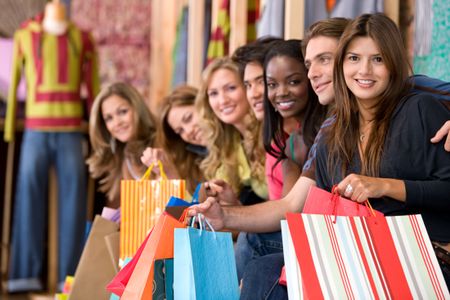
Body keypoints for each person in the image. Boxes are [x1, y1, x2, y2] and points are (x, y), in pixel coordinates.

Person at [190, 15, 450, 298]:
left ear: (393, 63)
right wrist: (224, 216)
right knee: (264, 271)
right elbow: (293, 204)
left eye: (377, 59)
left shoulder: (420, 107)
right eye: (353, 58)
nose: (364, 69)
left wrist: (386, 185)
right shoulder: (332, 132)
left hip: (422, 255)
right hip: (358, 252)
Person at [6, 0, 99, 292]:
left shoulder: (83, 38)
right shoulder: (23, 35)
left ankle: (69, 278)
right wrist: (10, 125)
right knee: (27, 197)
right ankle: (23, 276)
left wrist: (96, 127)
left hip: (71, 129)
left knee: (74, 202)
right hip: (35, 128)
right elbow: (14, 86)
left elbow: (92, 85)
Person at [195, 57, 267, 205]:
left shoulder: (270, 133)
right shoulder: (229, 141)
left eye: (231, 88)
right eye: (214, 93)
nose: (223, 100)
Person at [87, 82, 157, 208]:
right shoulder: (124, 157)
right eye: (109, 118)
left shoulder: (160, 144)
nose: (117, 123)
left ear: (137, 108)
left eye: (122, 112)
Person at [140, 85, 206, 195]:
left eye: (188, 118)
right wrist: (169, 173)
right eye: (180, 131)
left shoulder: (236, 141)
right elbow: (193, 210)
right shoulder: (194, 163)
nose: (188, 131)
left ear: (203, 104)